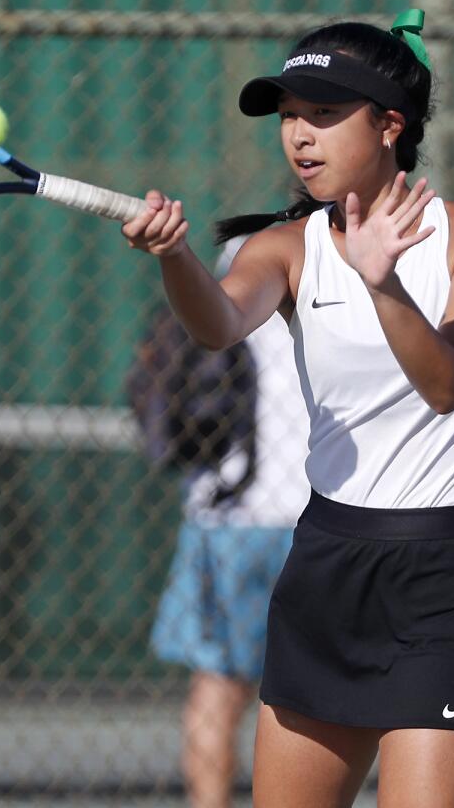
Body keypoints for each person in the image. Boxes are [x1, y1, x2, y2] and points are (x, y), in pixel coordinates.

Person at [122, 10, 454, 808]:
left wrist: (382, 284)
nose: (299, 136)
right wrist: (175, 257)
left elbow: (446, 386)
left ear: (389, 126)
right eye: (288, 117)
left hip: (443, 577)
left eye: (324, 114)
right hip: (327, 567)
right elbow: (216, 325)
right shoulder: (287, 247)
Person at [149, 237, 312, 808]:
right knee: (301, 704)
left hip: (237, 523)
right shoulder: (338, 263)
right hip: (302, 518)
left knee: (221, 691)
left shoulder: (239, 262)